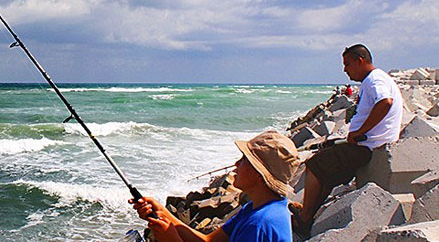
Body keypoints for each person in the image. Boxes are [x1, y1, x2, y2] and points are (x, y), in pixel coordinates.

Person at [290, 44, 404, 236]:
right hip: (368, 143)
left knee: (314, 165)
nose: (345, 70)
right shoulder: (377, 78)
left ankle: (304, 217)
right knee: (326, 165)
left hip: (368, 146)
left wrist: (360, 131)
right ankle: (308, 213)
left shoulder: (374, 80)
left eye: (347, 64)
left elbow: (385, 102)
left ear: (360, 61)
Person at [130, 131, 299, 242]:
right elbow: (209, 241)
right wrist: (163, 213)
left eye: (244, 160)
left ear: (259, 174)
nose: (236, 164)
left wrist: (171, 239)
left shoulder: (259, 225)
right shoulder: (257, 208)